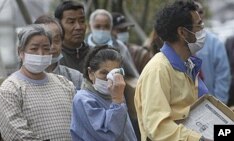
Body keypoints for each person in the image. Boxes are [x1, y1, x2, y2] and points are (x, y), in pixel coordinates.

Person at [134, 1, 211, 141]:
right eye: (199, 25)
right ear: (182, 32)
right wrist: (199, 139)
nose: (202, 31)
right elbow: (158, 127)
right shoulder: (158, 70)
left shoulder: (188, 64)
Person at [0, 24, 75, 140]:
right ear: (20, 52)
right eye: (34, 48)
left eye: (46, 49)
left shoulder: (65, 84)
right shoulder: (10, 90)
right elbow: (17, 135)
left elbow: (79, 124)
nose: (41, 54)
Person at [71, 45, 137, 141]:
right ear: (91, 73)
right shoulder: (83, 99)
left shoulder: (115, 93)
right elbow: (109, 135)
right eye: (104, 73)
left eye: (114, 73)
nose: (109, 78)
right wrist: (117, 100)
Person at [195, 1, 231, 104]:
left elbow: (223, 76)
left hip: (211, 104)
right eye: (194, 12)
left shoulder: (215, 43)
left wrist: (218, 105)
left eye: (200, 12)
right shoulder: (179, 43)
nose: (198, 15)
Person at [34, 15, 83, 90]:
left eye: (56, 40)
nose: (52, 46)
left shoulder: (75, 77)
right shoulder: (23, 78)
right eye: (47, 41)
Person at [87, 9, 139, 78]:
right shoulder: (82, 46)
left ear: (111, 27)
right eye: (98, 26)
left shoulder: (120, 47)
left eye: (106, 26)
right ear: (90, 26)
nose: (102, 30)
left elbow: (133, 74)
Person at [54, 0, 90, 73]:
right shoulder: (54, 57)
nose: (78, 27)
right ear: (59, 25)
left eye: (82, 21)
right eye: (71, 22)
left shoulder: (95, 55)